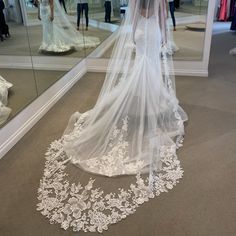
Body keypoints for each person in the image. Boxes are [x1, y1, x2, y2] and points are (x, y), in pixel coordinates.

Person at [37, 0, 187, 233]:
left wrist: (134, 37)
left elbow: (135, 17)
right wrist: (165, 37)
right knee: (151, 69)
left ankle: (139, 98)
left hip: (140, 32)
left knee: (140, 67)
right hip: (154, 33)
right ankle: (150, 101)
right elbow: (162, 19)